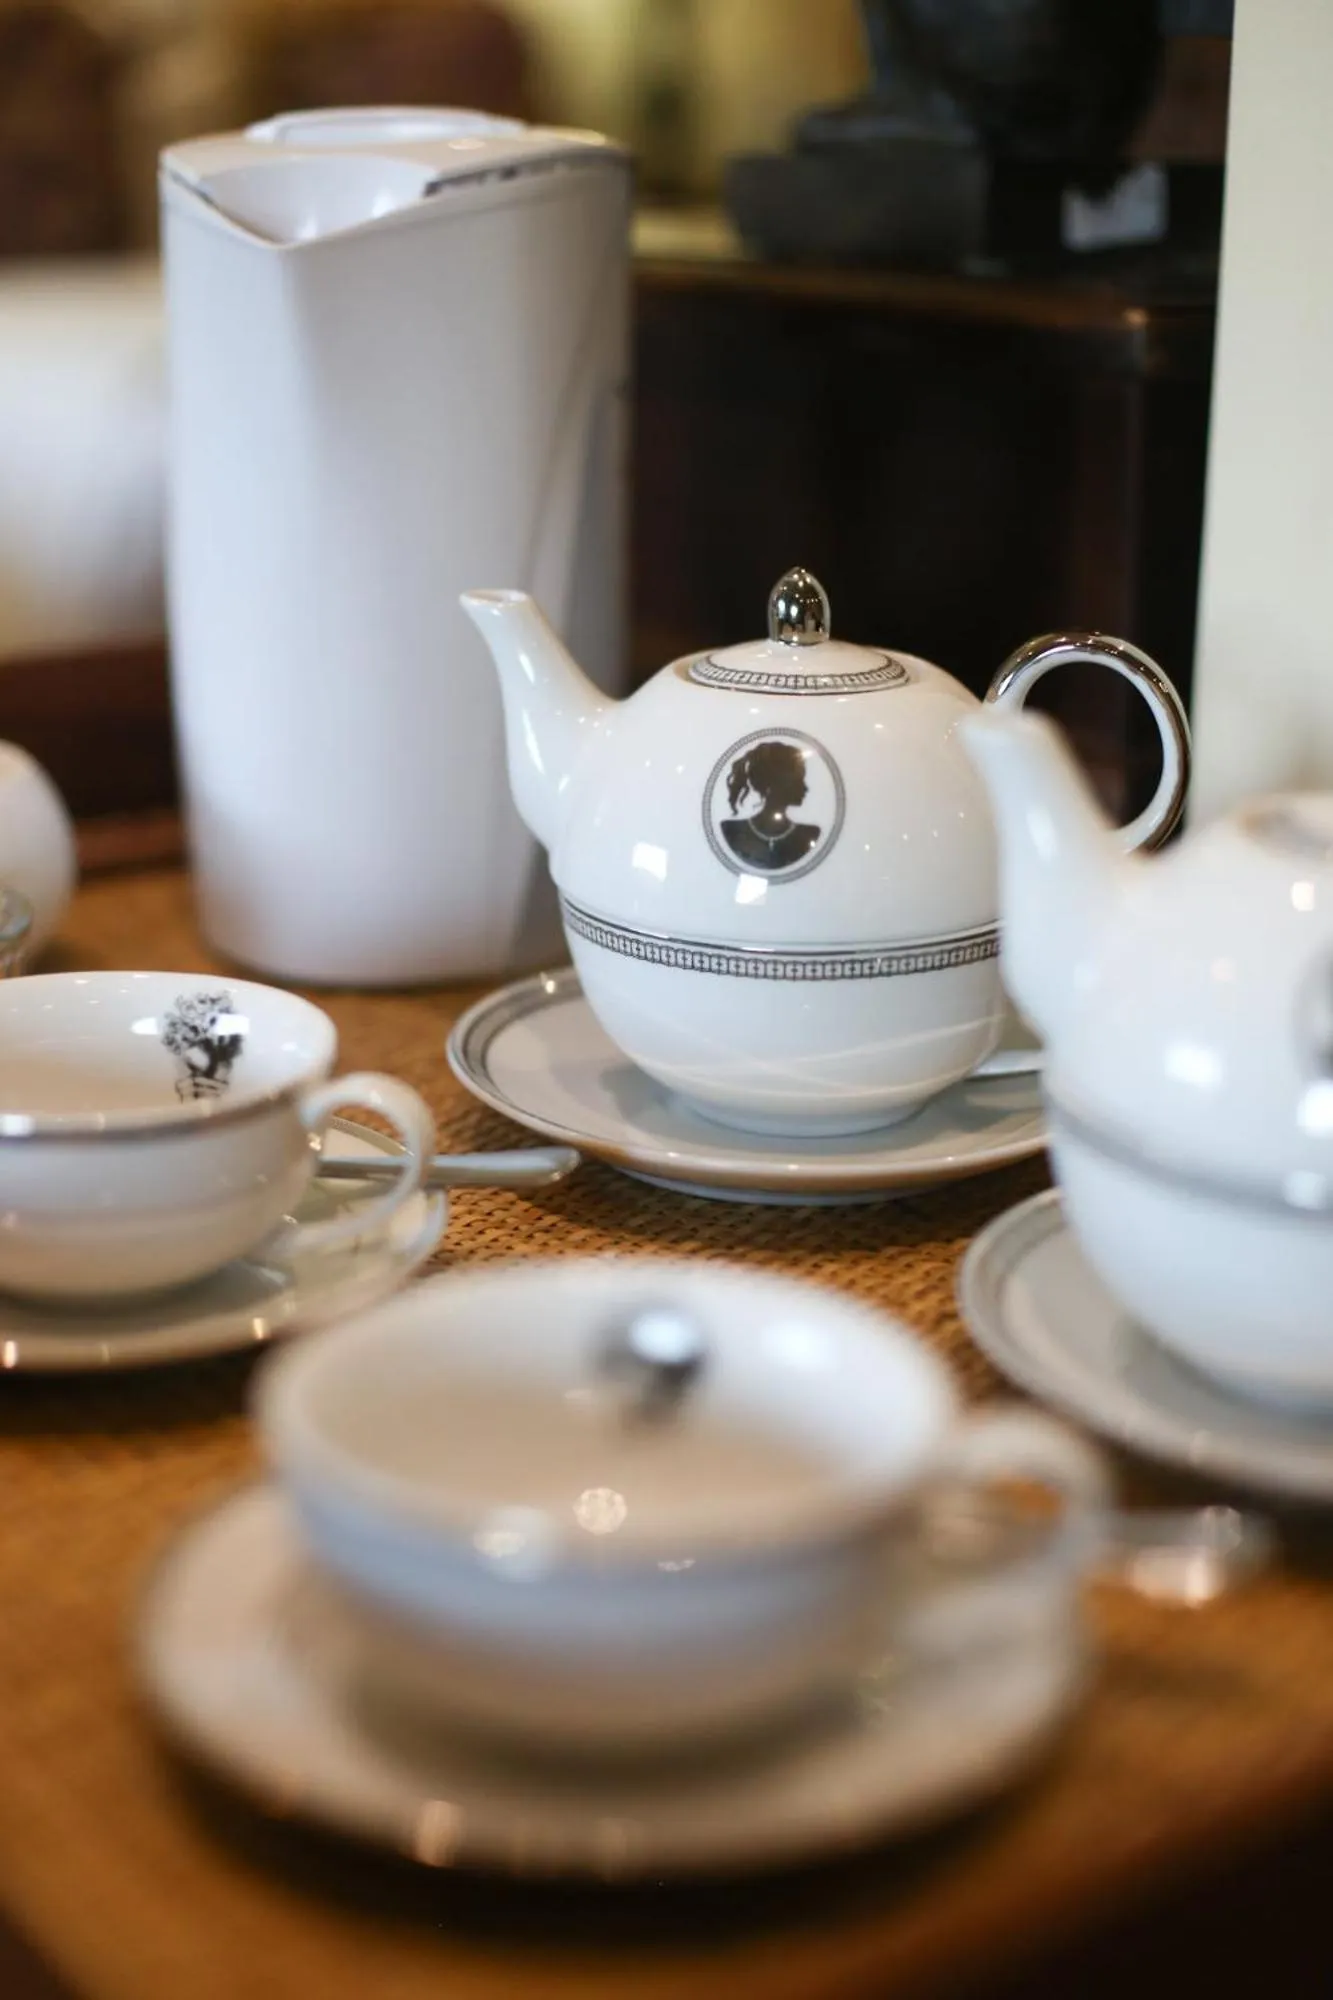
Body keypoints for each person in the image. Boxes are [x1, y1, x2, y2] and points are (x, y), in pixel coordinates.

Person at [719, 739, 822, 872]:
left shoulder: (811, 833)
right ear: (774, 785)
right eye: (798, 780)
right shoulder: (731, 830)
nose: (805, 788)